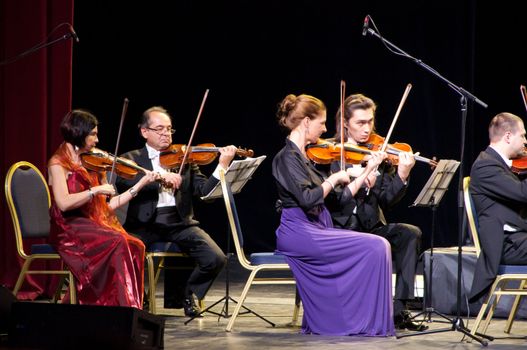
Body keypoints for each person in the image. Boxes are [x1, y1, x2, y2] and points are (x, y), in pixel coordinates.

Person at [272, 93, 395, 336]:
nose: (326, 128)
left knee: (378, 246)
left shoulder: (305, 158)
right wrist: (333, 179)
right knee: (377, 246)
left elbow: (339, 199)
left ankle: (358, 317)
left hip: (316, 227)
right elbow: (308, 199)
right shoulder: (285, 158)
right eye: (322, 123)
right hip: (299, 231)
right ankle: (362, 321)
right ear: (306, 122)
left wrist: (365, 172)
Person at [115, 106, 233, 317]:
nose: (166, 134)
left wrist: (221, 166)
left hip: (179, 223)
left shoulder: (184, 158)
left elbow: (203, 191)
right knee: (125, 250)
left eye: (169, 129)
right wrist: (160, 176)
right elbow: (125, 182)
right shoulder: (131, 158)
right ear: (145, 132)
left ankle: (189, 293)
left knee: (216, 258)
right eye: (159, 129)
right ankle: (139, 297)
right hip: (144, 225)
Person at [322, 93, 426, 331]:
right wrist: (359, 176)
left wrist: (402, 175)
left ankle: (399, 309)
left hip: (371, 226)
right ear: (345, 123)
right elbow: (332, 200)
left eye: (370, 121)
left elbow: (388, 200)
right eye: (360, 123)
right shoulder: (329, 153)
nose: (367, 128)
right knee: (370, 244)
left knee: (410, 233)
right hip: (340, 227)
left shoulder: (378, 153)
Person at [48, 109, 157, 307]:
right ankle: (120, 307)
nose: (97, 140)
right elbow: (63, 203)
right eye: (93, 134)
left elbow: (109, 206)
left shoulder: (95, 163)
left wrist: (139, 185)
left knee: (135, 245)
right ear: (78, 133)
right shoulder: (58, 163)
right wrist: (94, 190)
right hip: (69, 227)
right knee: (117, 241)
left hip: (93, 222)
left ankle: (130, 304)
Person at [469, 112, 527, 302]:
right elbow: (522, 193)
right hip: (506, 245)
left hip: (518, 240)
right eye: (523, 135)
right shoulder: (485, 166)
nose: (526, 141)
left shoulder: (502, 166)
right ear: (508, 136)